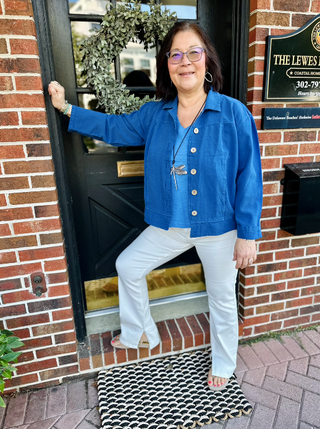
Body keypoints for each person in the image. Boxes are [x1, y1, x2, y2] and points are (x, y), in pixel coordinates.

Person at [48, 21, 262, 391]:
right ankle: (141, 333)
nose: (185, 61)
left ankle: (224, 364)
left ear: (206, 60)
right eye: (175, 54)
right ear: (167, 65)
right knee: (128, 265)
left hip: (219, 227)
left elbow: (250, 177)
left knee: (222, 299)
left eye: (193, 52)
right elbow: (113, 127)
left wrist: (248, 235)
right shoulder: (155, 115)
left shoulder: (233, 114)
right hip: (171, 224)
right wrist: (66, 107)